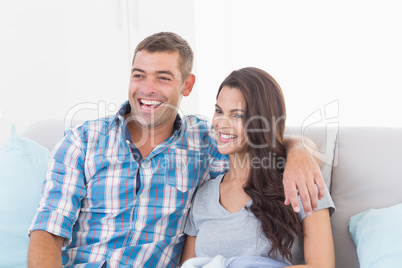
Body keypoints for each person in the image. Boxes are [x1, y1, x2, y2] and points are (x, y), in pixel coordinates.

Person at [28, 32, 326, 268]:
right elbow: (48, 230)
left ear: (187, 85)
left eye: (163, 77)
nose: (147, 88)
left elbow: (255, 137)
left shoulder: (205, 143)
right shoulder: (82, 141)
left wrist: (299, 149)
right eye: (139, 75)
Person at [180, 67, 335, 268]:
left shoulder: (300, 180)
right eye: (219, 111)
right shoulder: (203, 196)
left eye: (236, 115)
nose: (221, 123)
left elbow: (322, 266)